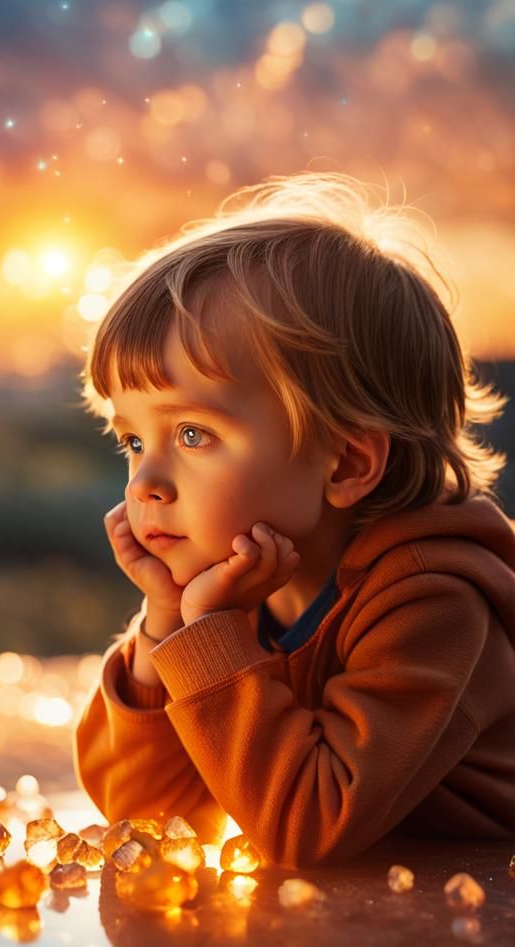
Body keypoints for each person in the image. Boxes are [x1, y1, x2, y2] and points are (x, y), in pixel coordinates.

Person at [73, 171, 515, 867]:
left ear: (344, 465)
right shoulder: (246, 584)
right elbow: (150, 815)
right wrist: (166, 625)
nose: (146, 482)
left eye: (192, 435)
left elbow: (308, 827)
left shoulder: (434, 601)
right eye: (132, 441)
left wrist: (213, 636)